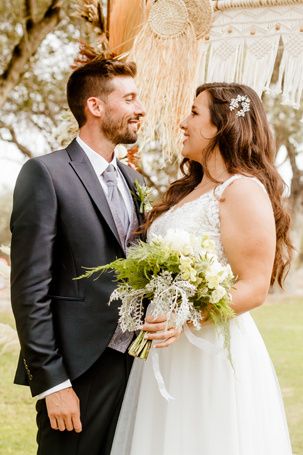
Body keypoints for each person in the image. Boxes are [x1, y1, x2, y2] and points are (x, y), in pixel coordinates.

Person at [110, 82, 293, 455]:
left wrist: (187, 317)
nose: (183, 122)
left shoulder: (241, 190)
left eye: (194, 113)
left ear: (221, 126)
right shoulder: (188, 190)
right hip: (164, 350)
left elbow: (254, 286)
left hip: (208, 352)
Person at [10, 58, 175, 455]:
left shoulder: (134, 181)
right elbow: (30, 290)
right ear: (96, 107)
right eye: (130, 98)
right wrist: (53, 384)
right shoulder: (45, 174)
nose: (140, 109)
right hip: (77, 372)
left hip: (135, 367)